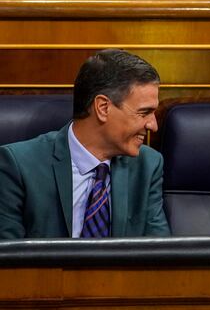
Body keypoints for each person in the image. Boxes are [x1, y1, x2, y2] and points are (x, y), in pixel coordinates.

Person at [0, 49, 171, 238]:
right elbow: (9, 260)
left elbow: (159, 254)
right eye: (144, 112)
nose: (153, 125)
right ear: (103, 108)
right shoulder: (18, 166)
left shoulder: (148, 165)